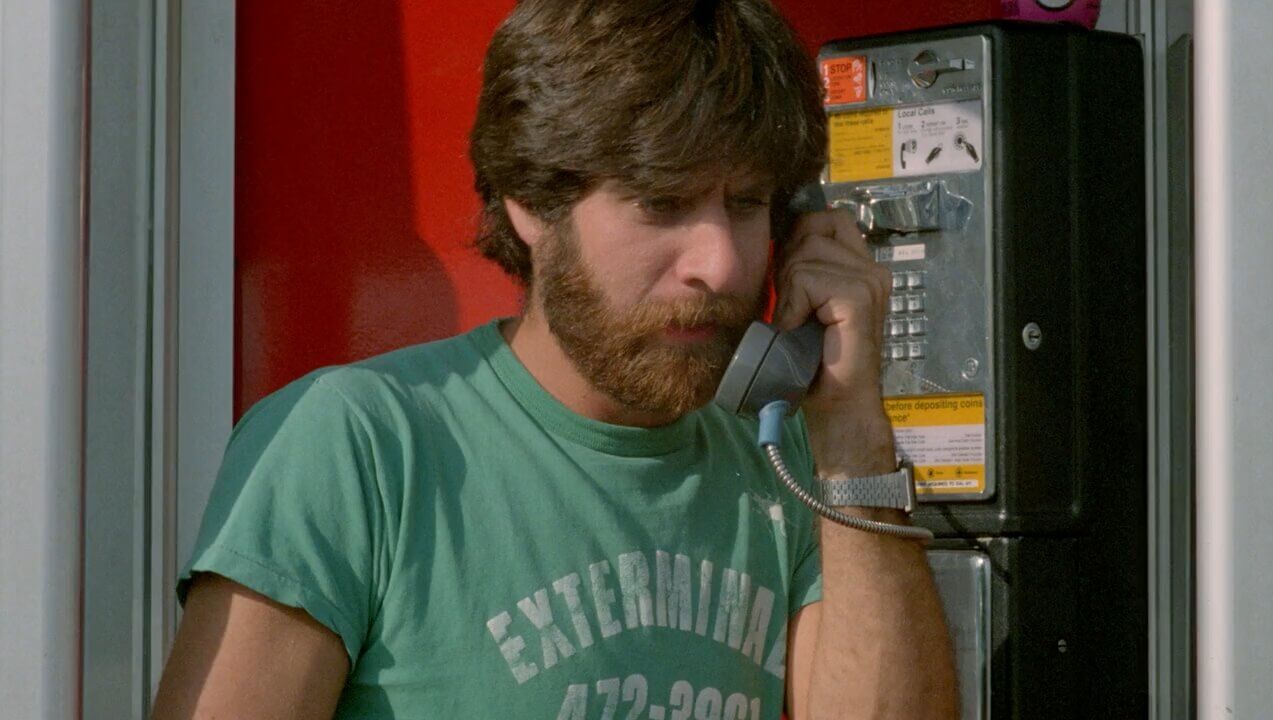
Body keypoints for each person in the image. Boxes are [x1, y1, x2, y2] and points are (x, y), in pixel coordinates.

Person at [152, 0, 958, 717]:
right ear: (533, 202)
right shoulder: (357, 444)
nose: (718, 262)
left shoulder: (787, 465)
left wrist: (853, 432)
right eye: (661, 202)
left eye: (745, 204)